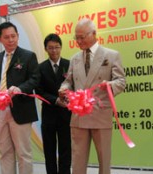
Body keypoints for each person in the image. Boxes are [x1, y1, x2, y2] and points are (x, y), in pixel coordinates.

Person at [59, 18, 126, 174]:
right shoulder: (75, 58)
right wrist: (63, 89)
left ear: (94, 34)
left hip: (100, 114)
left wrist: (109, 85)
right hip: (78, 116)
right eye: (77, 38)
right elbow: (68, 81)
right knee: (77, 161)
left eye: (82, 37)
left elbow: (121, 81)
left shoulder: (111, 55)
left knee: (104, 160)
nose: (79, 41)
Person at [0, 22, 40, 174]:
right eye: (6, 37)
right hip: (0, 111)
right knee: (5, 151)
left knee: (23, 153)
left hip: (20, 108)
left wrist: (20, 88)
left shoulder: (28, 56)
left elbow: (35, 79)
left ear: (18, 36)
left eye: (13, 36)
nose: (11, 40)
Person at [36, 33, 71, 174]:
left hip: (66, 115)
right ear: (46, 49)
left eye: (57, 47)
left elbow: (74, 86)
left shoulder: (68, 65)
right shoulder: (40, 67)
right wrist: (55, 100)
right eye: (51, 48)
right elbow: (38, 91)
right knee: (49, 151)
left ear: (61, 47)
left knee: (65, 150)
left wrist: (69, 97)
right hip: (49, 115)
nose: (54, 51)